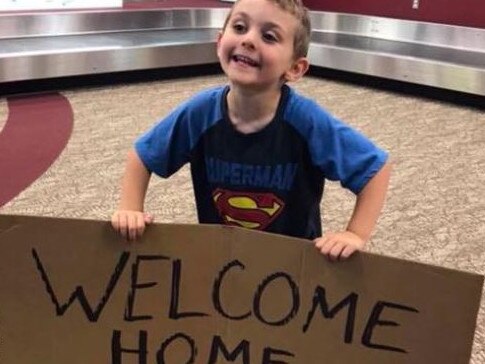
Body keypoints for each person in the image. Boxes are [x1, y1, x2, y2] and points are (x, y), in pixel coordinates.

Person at [111, 0, 391, 261]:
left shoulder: (306, 120)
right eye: (240, 27)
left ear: (295, 68)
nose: (248, 40)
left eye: (269, 36)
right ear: (220, 42)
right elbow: (142, 156)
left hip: (293, 263)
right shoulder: (200, 114)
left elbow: (375, 169)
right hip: (222, 256)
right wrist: (130, 208)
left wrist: (355, 233)